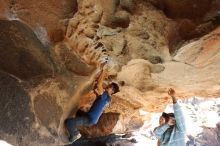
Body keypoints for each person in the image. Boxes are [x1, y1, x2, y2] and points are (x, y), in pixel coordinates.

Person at [64, 65, 120, 143]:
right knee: (77, 111)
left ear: (112, 91)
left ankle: (75, 134)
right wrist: (95, 92)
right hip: (90, 117)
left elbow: (99, 85)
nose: (107, 86)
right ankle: (76, 122)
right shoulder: (108, 99)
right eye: (109, 85)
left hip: (89, 119)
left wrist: (103, 71)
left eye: (110, 86)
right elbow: (100, 100)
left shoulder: (105, 95)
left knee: (68, 122)